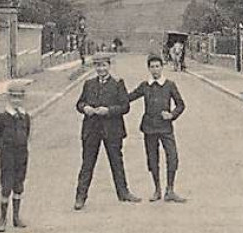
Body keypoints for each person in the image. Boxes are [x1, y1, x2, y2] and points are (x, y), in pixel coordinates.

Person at [74, 52, 140, 209]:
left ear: (109, 66)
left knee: (116, 162)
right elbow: (79, 103)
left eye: (104, 65)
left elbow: (125, 107)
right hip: (91, 130)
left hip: (112, 129)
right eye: (98, 66)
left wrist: (108, 111)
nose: (101, 69)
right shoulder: (89, 84)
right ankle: (80, 197)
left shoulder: (118, 83)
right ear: (95, 67)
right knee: (87, 164)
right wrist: (85, 108)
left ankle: (123, 193)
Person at [127, 53, 187, 202]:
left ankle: (170, 190)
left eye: (157, 66)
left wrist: (172, 115)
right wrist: (117, 91)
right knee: (152, 159)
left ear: (162, 67)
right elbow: (129, 97)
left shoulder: (169, 85)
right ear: (148, 68)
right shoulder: (144, 86)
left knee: (172, 157)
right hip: (149, 127)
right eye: (152, 67)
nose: (155, 70)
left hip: (166, 127)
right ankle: (157, 190)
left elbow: (181, 105)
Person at [0, 81, 32, 232]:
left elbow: (26, 133)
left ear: (23, 99)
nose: (16, 101)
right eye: (13, 97)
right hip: (7, 156)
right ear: (8, 98)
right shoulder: (3, 117)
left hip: (21, 154)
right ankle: (3, 218)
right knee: (6, 186)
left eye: (19, 98)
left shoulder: (25, 116)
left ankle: (16, 217)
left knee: (19, 184)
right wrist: (4, 146)